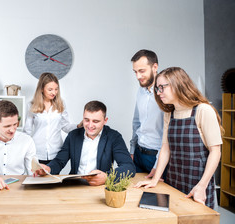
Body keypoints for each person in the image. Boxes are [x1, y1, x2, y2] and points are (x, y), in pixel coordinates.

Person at [135, 67, 223, 209]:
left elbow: (215, 152)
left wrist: (202, 186)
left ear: (178, 84)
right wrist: (155, 179)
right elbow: (165, 148)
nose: (158, 93)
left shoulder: (203, 110)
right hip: (173, 181)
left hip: (198, 183)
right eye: (157, 88)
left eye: (162, 87)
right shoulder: (169, 114)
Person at [34, 101, 135, 186]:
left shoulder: (114, 137)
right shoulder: (73, 135)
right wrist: (48, 168)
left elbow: (129, 167)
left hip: (99, 187)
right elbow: (60, 161)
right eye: (87, 120)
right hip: (75, 185)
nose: (90, 125)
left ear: (105, 121)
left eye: (95, 121)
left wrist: (107, 177)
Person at [24, 72, 82, 164]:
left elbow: (65, 126)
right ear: (42, 89)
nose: (54, 92)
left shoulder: (61, 104)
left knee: (54, 178)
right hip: (37, 152)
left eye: (56, 89)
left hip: (56, 152)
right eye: (50, 89)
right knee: (38, 178)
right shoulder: (31, 105)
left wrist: (78, 126)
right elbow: (27, 131)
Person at [130, 49, 164, 178]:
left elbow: (168, 133)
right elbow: (136, 122)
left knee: (156, 196)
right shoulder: (140, 90)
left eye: (142, 71)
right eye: (135, 72)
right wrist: (132, 150)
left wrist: (158, 165)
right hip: (138, 154)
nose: (138, 76)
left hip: (156, 157)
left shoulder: (166, 94)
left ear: (155, 67)